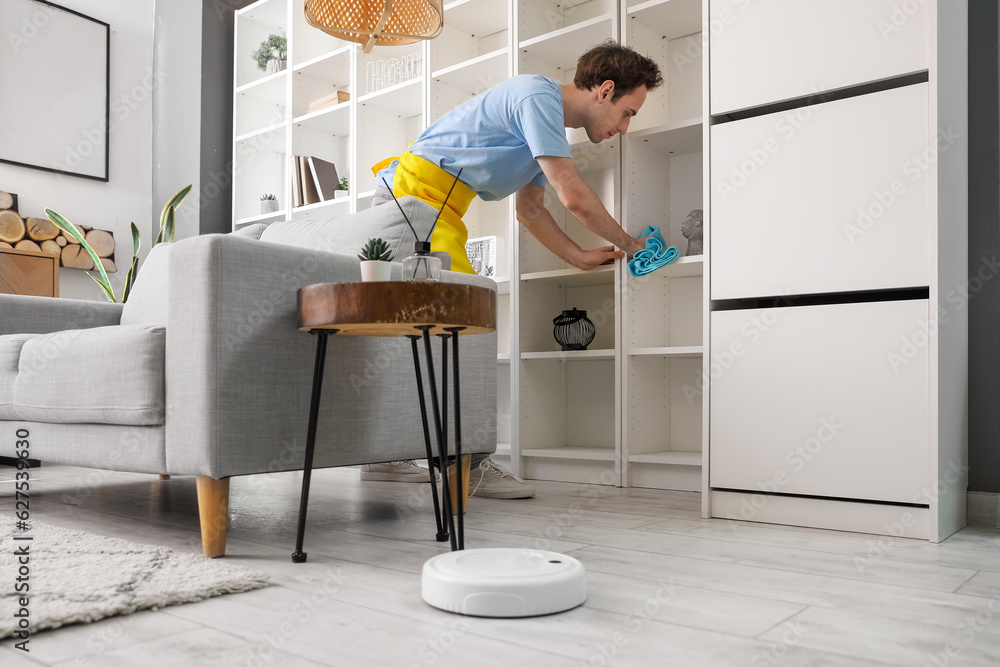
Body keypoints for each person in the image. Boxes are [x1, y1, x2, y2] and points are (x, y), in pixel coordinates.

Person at [362, 40, 663, 499]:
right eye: (627, 113)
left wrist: (577, 256)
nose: (624, 128)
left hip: (435, 208)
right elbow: (573, 196)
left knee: (439, 330)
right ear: (604, 91)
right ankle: (466, 464)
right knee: (465, 326)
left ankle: (392, 456)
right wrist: (632, 244)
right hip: (412, 199)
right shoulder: (536, 97)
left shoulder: (546, 126)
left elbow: (531, 210)